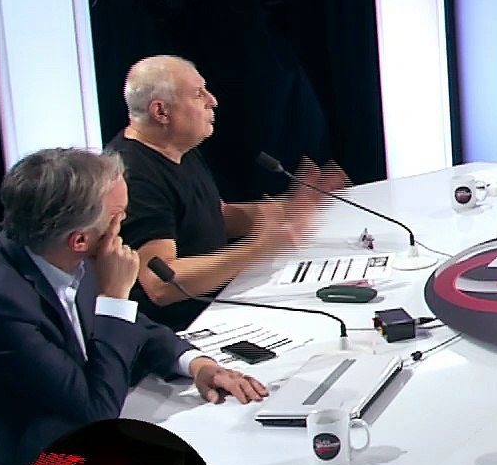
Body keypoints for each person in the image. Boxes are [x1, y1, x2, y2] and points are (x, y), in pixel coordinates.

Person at [0, 148, 267, 465]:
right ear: (79, 240)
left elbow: (134, 327)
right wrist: (115, 295)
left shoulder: (51, 250)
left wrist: (197, 364)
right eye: (119, 216)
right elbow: (95, 413)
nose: (125, 224)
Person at [109, 55, 333, 330]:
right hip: (183, 330)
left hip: (222, 300)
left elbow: (214, 216)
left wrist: (290, 208)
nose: (212, 100)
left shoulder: (178, 149)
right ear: (161, 112)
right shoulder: (134, 176)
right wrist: (258, 249)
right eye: (198, 94)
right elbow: (161, 284)